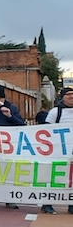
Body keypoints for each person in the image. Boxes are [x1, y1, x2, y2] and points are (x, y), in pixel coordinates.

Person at [41, 87, 73, 215]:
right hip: (58, 151)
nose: (71, 96)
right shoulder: (55, 112)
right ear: (62, 97)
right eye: (68, 94)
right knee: (53, 178)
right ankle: (47, 204)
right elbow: (46, 130)